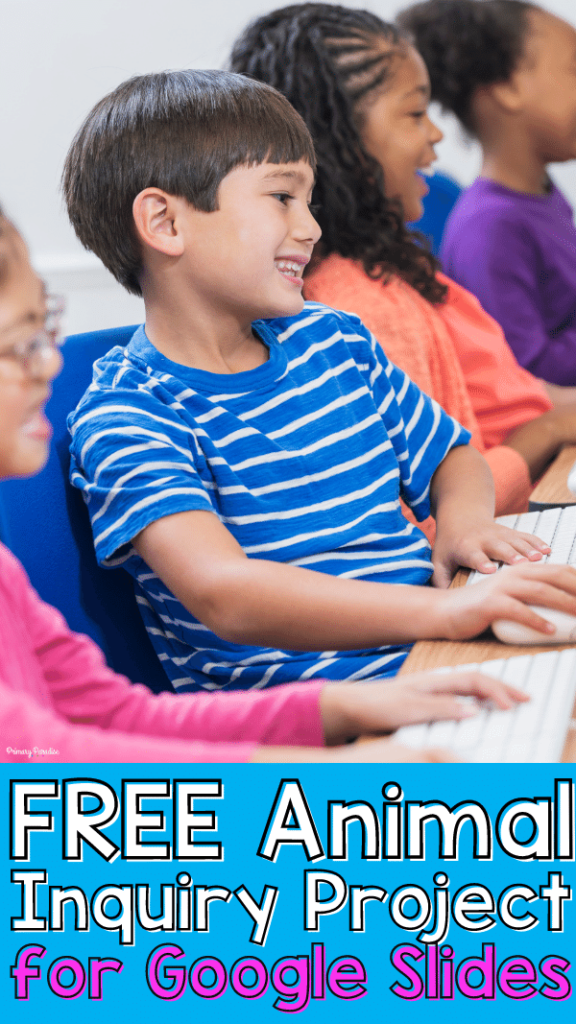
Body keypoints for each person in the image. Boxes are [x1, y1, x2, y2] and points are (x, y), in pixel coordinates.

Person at [63, 70, 568, 697]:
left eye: (310, 201)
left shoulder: (333, 340)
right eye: (282, 197)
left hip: (440, 650)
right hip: (321, 722)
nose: (311, 228)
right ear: (165, 223)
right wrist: (444, 614)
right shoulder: (129, 414)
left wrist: (463, 529)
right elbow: (226, 593)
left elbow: (453, 456)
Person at [1, 208, 533, 764]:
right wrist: (332, 770)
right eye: (19, 344)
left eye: (45, 331)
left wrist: (349, 708)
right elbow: (49, 773)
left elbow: (114, 719)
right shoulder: (129, 410)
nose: (49, 363)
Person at [230, 2, 576, 521]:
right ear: (339, 135)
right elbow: (434, 517)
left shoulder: (389, 269)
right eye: (415, 114)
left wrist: (557, 413)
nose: (435, 135)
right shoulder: (359, 303)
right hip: (505, 521)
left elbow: (505, 391)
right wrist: (549, 429)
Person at [400, 0, 576, 386]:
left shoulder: (543, 194)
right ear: (509, 88)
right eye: (573, 68)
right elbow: (524, 373)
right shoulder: (490, 228)